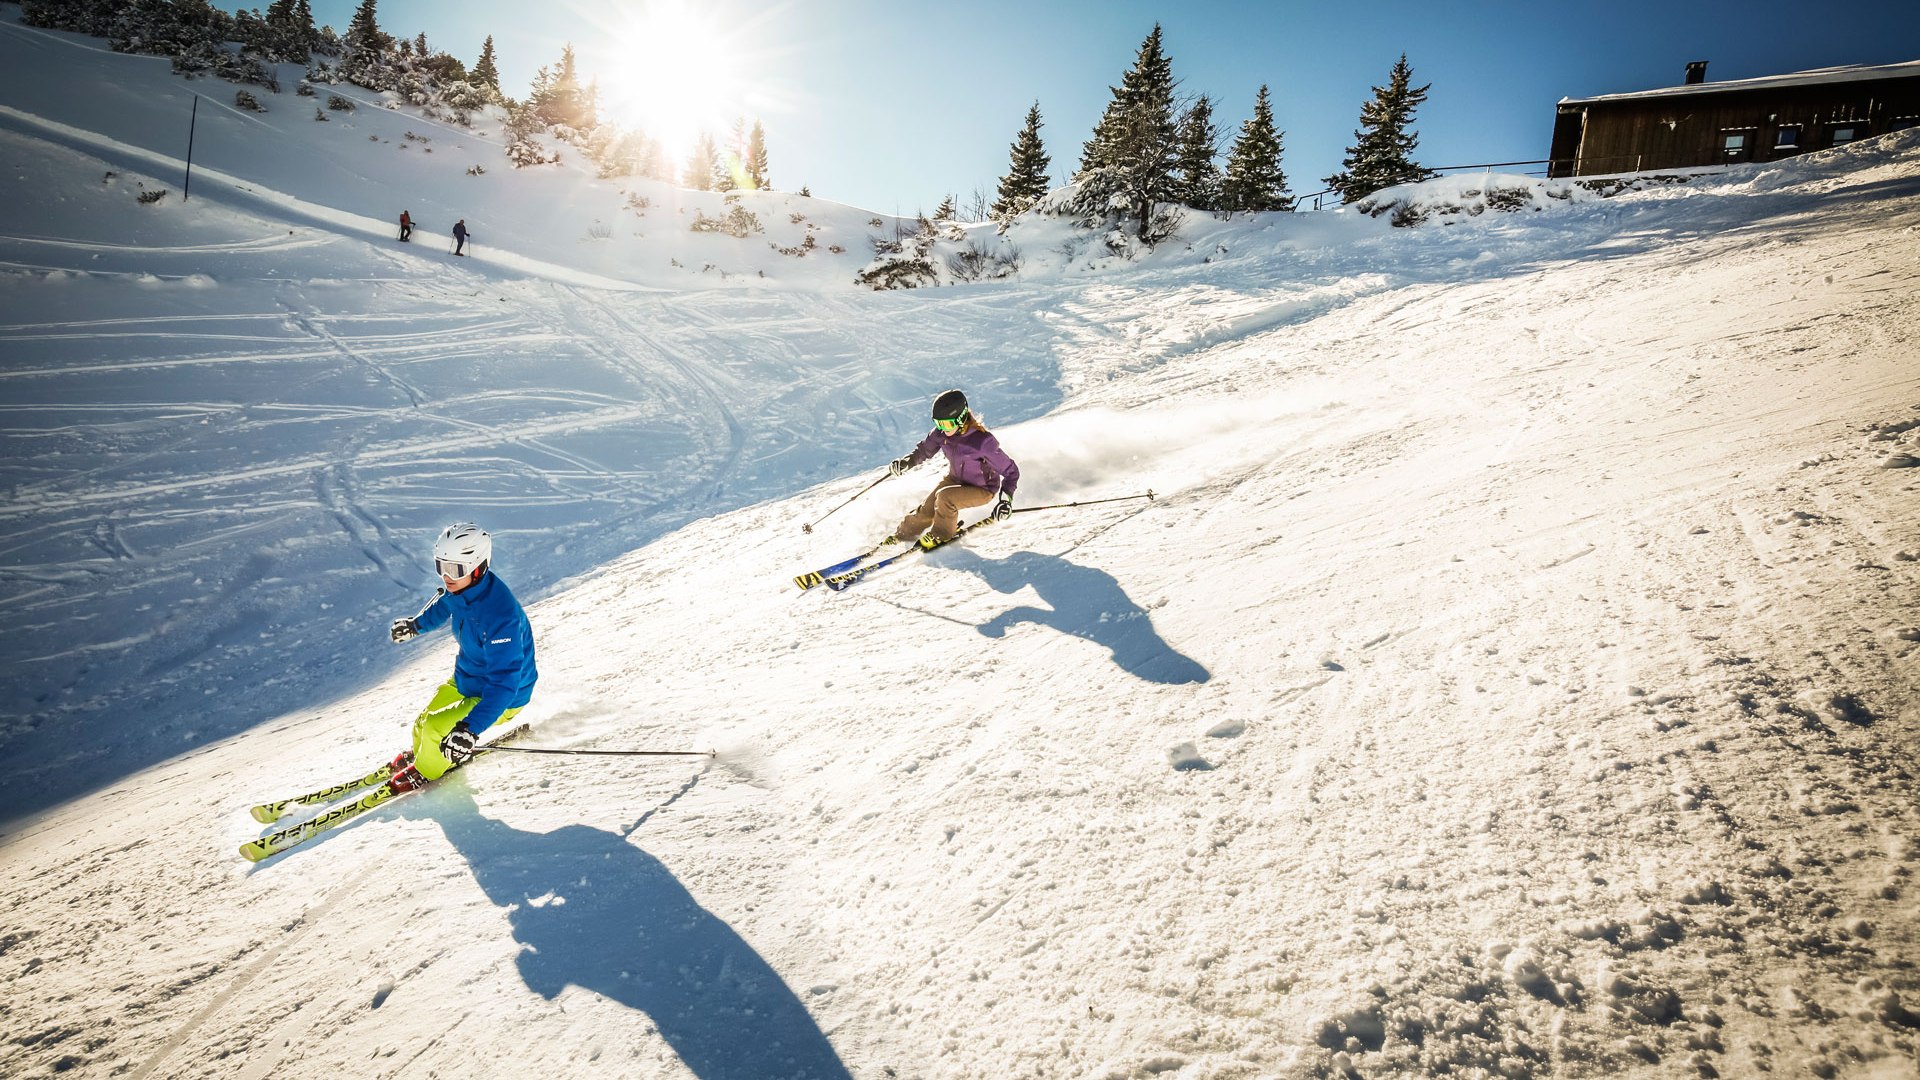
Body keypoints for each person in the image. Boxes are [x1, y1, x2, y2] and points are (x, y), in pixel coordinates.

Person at [386, 522, 537, 792]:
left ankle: (426, 771)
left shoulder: (501, 617)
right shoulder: (463, 588)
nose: (446, 577)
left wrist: (469, 729)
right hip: (469, 677)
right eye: (440, 566)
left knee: (434, 727)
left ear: (478, 567)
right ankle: (424, 754)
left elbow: (504, 683)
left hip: (503, 695)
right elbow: (445, 603)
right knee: (424, 720)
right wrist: (416, 625)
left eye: (454, 569)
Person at [888, 389, 1019, 550]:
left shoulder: (982, 442)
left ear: (961, 418)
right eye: (938, 423)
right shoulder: (941, 434)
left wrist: (1005, 501)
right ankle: (903, 534)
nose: (943, 428)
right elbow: (924, 451)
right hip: (955, 480)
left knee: (945, 498)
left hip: (983, 489)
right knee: (926, 509)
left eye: (947, 423)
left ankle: (941, 534)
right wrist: (906, 462)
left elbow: (1011, 471)